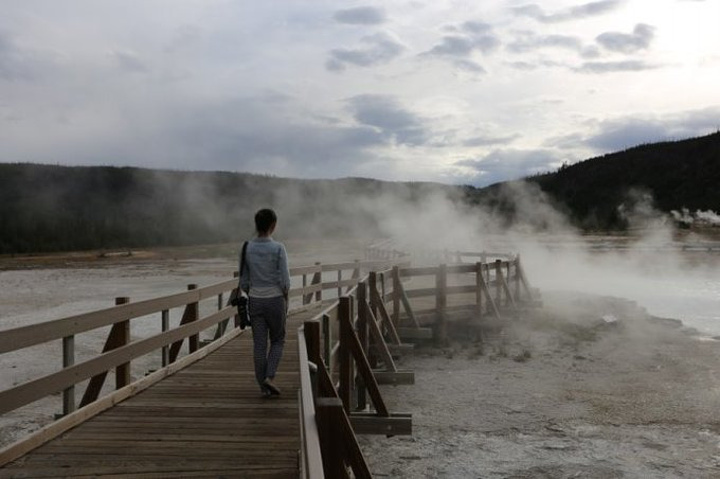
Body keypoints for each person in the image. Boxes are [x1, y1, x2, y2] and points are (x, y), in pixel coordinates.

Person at [239, 208, 291, 397]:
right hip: (275, 300)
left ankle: (263, 388)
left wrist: (252, 291)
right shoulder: (278, 248)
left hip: (255, 301)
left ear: (257, 225)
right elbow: (285, 281)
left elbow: (244, 281)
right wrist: (286, 300)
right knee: (278, 340)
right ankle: (269, 376)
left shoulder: (247, 247)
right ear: (273, 225)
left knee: (259, 345)